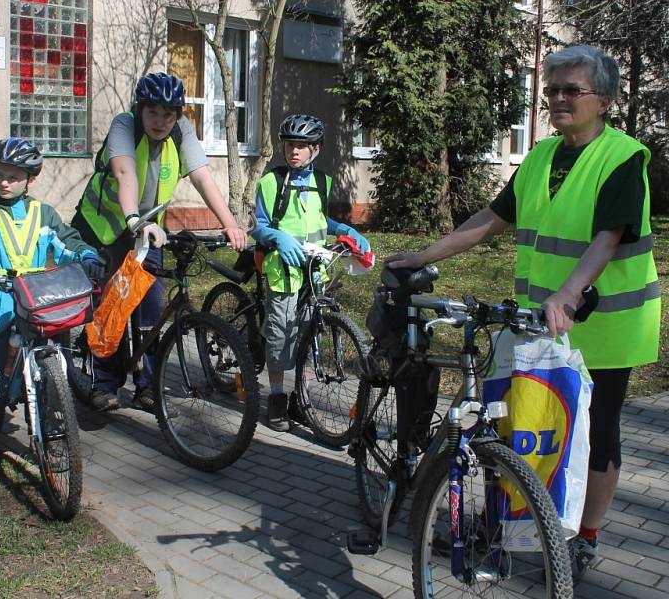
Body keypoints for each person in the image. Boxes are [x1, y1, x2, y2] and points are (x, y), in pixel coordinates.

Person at [386, 45, 660, 583]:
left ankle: (584, 538)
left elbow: (609, 237)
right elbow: (493, 218)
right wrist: (423, 255)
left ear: (602, 100)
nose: (558, 99)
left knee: (596, 436)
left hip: (604, 325)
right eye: (552, 90)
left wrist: (569, 292)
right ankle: (507, 527)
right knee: (515, 426)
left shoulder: (623, 157)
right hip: (535, 321)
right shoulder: (541, 156)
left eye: (571, 90)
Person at [71, 71, 248, 412]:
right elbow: (124, 172)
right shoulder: (125, 126)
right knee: (113, 306)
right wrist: (134, 219)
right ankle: (103, 384)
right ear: (140, 108)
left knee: (151, 307)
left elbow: (202, 177)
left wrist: (231, 225)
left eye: (169, 114)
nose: (160, 121)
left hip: (148, 230)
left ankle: (147, 385)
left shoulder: (182, 133)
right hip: (104, 227)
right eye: (153, 111)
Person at [0, 137, 104, 487]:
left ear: (30, 178)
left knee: (53, 380)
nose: (4, 182)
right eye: (0, 174)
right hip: (0, 309)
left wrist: (87, 256)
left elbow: (67, 241)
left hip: (40, 306)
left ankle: (53, 437)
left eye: (13, 176)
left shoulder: (44, 213)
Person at [251, 114, 369, 432]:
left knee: (307, 334)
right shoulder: (271, 183)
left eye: (302, 146)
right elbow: (259, 227)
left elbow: (320, 220)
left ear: (315, 149)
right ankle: (276, 399)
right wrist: (277, 237)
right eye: (290, 145)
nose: (294, 152)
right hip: (283, 273)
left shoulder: (322, 181)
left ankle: (298, 400)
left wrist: (343, 228)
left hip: (314, 273)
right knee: (280, 336)